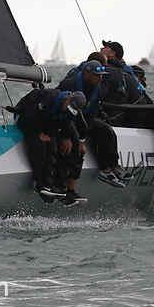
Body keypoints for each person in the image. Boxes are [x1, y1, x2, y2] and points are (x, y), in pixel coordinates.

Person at [57, 60, 127, 188]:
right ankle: (63, 184)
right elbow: (60, 109)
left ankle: (110, 167)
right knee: (75, 147)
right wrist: (67, 137)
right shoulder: (70, 84)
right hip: (65, 118)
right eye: (97, 75)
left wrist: (83, 137)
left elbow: (91, 114)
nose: (100, 78)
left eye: (101, 75)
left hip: (82, 118)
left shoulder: (97, 88)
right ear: (87, 74)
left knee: (106, 130)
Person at [14, 88, 88, 206]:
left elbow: (76, 125)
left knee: (72, 147)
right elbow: (29, 116)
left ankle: (65, 188)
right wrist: (39, 133)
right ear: (67, 99)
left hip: (48, 122)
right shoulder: (49, 99)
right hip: (27, 118)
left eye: (72, 111)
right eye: (68, 107)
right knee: (44, 145)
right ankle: (40, 183)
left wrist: (74, 140)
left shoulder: (73, 109)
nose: (68, 110)